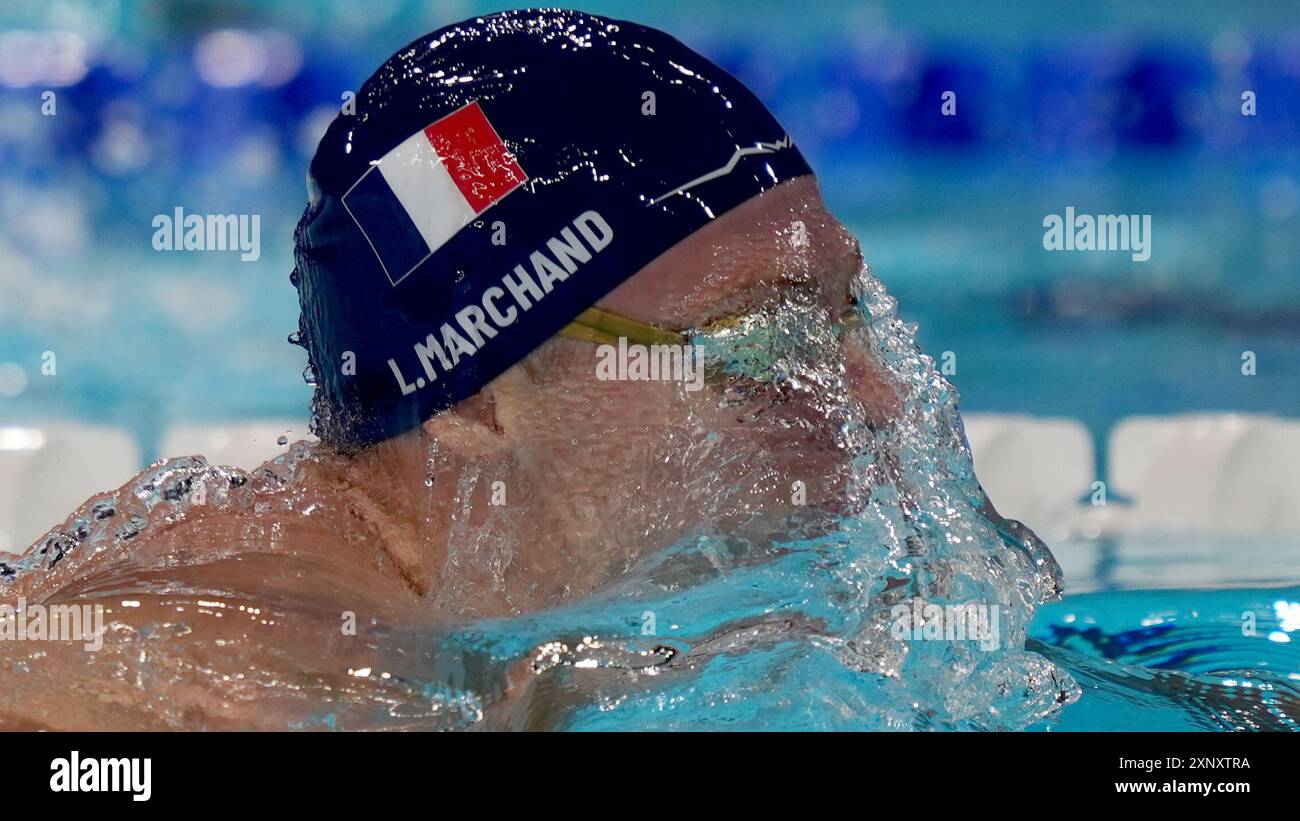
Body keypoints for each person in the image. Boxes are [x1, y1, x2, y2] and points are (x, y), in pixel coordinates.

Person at [0, 9, 900, 729]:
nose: (873, 393)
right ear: (474, 401)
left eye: (849, 312)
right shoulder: (269, 684)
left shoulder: (509, 630)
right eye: (757, 343)